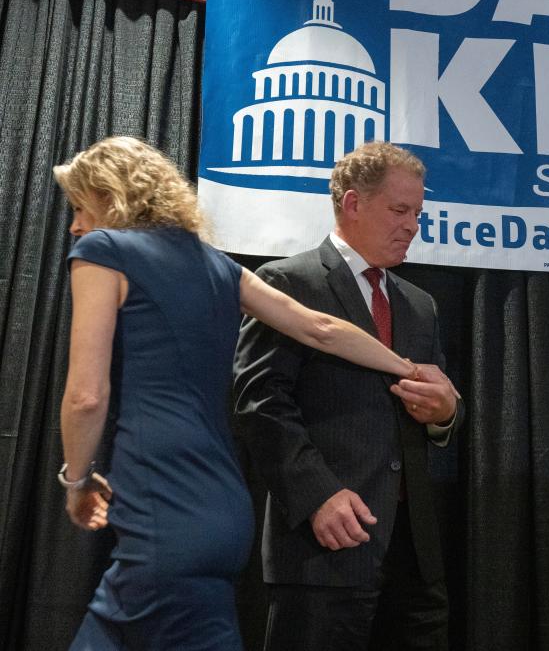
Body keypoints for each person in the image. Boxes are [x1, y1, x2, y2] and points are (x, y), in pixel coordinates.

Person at [54, 135, 422, 651]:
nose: (74, 223)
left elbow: (86, 396)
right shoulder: (217, 265)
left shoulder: (102, 250)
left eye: (79, 206)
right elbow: (320, 328)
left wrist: (76, 482)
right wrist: (408, 368)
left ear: (111, 197)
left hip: (160, 494)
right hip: (225, 511)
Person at [234, 142, 464, 651]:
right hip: (325, 543)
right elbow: (259, 401)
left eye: (418, 214)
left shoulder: (420, 305)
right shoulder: (287, 283)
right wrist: (317, 494)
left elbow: (440, 402)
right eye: (400, 210)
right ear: (354, 203)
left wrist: (445, 413)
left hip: (413, 551)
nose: (412, 225)